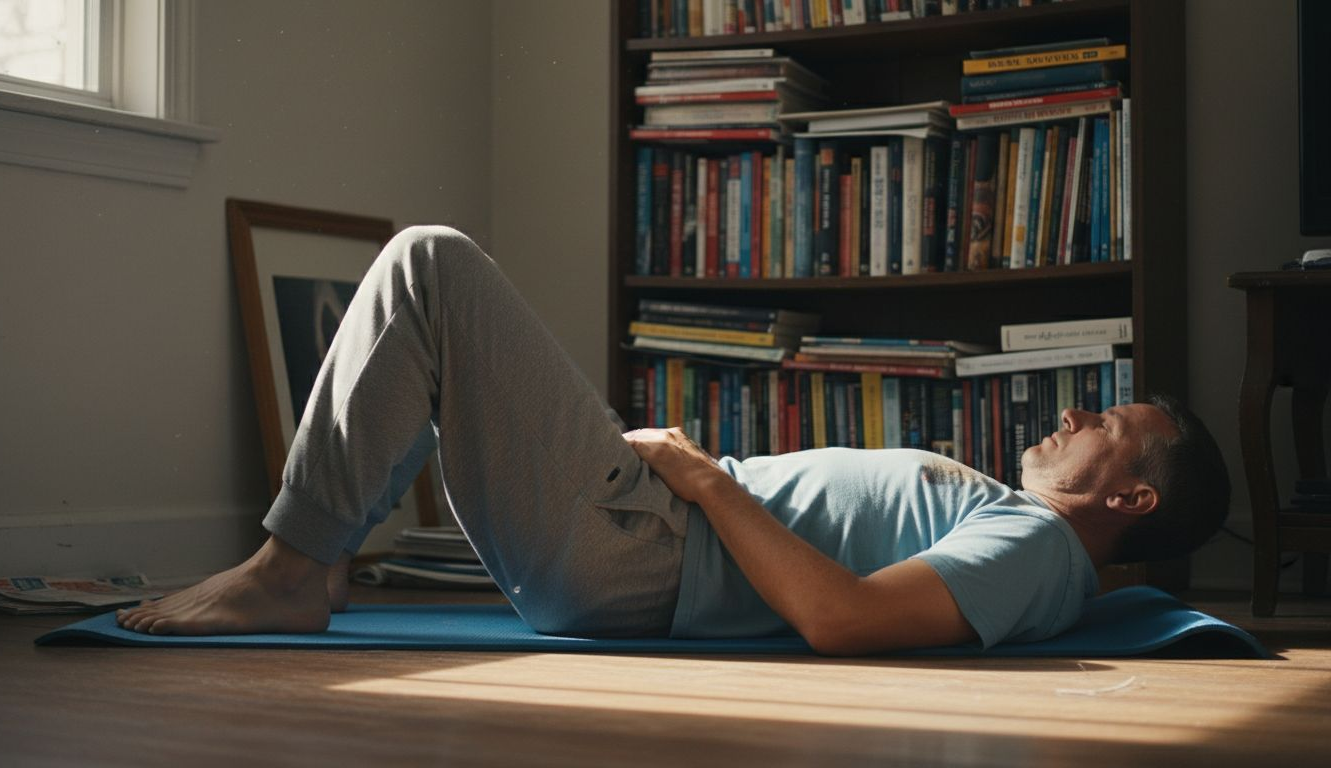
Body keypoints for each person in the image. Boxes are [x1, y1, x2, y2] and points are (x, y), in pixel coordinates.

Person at [116, 227, 1230, 654]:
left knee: (429, 264)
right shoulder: (1024, 536)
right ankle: (315, 557)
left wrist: (704, 480)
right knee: (439, 315)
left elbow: (845, 621)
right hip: (647, 526)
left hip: (645, 546)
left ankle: (291, 566)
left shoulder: (1036, 547)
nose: (1074, 415)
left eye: (1106, 424)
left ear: (1131, 500)